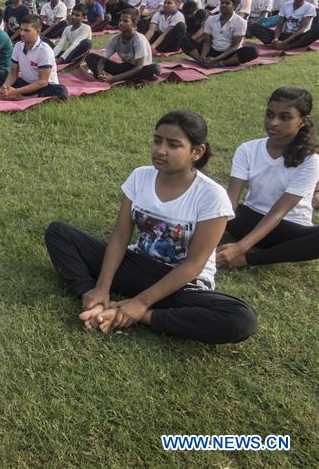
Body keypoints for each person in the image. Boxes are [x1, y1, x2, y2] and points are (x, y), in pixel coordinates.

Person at [44, 110, 258, 344]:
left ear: (197, 151)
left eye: (173, 145)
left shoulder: (211, 196)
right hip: (137, 265)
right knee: (59, 233)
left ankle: (142, 316)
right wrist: (102, 288)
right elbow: (120, 236)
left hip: (182, 283)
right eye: (157, 141)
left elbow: (193, 265)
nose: (160, 150)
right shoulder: (140, 176)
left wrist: (140, 304)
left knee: (240, 319)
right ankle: (95, 302)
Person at [218, 87, 319, 267]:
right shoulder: (248, 149)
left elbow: (278, 212)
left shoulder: (310, 160)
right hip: (248, 219)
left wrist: (241, 248)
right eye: (270, 115)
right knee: (216, 206)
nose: (273, 123)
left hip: (287, 228)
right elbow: (230, 202)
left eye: (285, 117)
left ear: (303, 121)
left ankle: (249, 260)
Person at [0, 14, 68, 99]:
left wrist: (16, 91)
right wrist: (5, 87)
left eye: (27, 30)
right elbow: (13, 73)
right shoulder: (18, 46)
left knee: (60, 91)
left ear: (38, 31)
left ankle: (22, 98)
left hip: (42, 87)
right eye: (21, 30)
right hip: (26, 84)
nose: (22, 33)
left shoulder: (44, 50)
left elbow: (42, 82)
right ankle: (8, 93)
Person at [180, 0, 258, 68]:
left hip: (229, 53)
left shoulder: (240, 22)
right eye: (222, 3)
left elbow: (235, 46)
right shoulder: (211, 20)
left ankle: (220, 63)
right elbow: (207, 42)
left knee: (252, 51)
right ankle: (201, 61)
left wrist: (216, 59)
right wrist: (203, 57)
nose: (223, 5)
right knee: (184, 40)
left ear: (234, 6)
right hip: (212, 50)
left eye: (227, 3)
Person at [83, 9, 160, 84]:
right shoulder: (114, 39)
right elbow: (102, 61)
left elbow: (139, 66)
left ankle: (123, 79)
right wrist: (100, 74)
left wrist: (115, 78)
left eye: (125, 21)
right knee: (91, 57)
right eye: (120, 20)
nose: (121, 23)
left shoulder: (139, 39)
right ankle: (103, 78)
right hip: (126, 67)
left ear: (134, 24)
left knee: (154, 68)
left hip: (141, 68)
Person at [251, 0, 319, 50]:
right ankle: (275, 43)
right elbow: (280, 24)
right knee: (254, 27)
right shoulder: (286, 5)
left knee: (315, 31)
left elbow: (301, 29)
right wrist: (276, 38)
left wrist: (284, 42)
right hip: (284, 35)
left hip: (299, 37)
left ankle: (289, 46)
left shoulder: (309, 7)